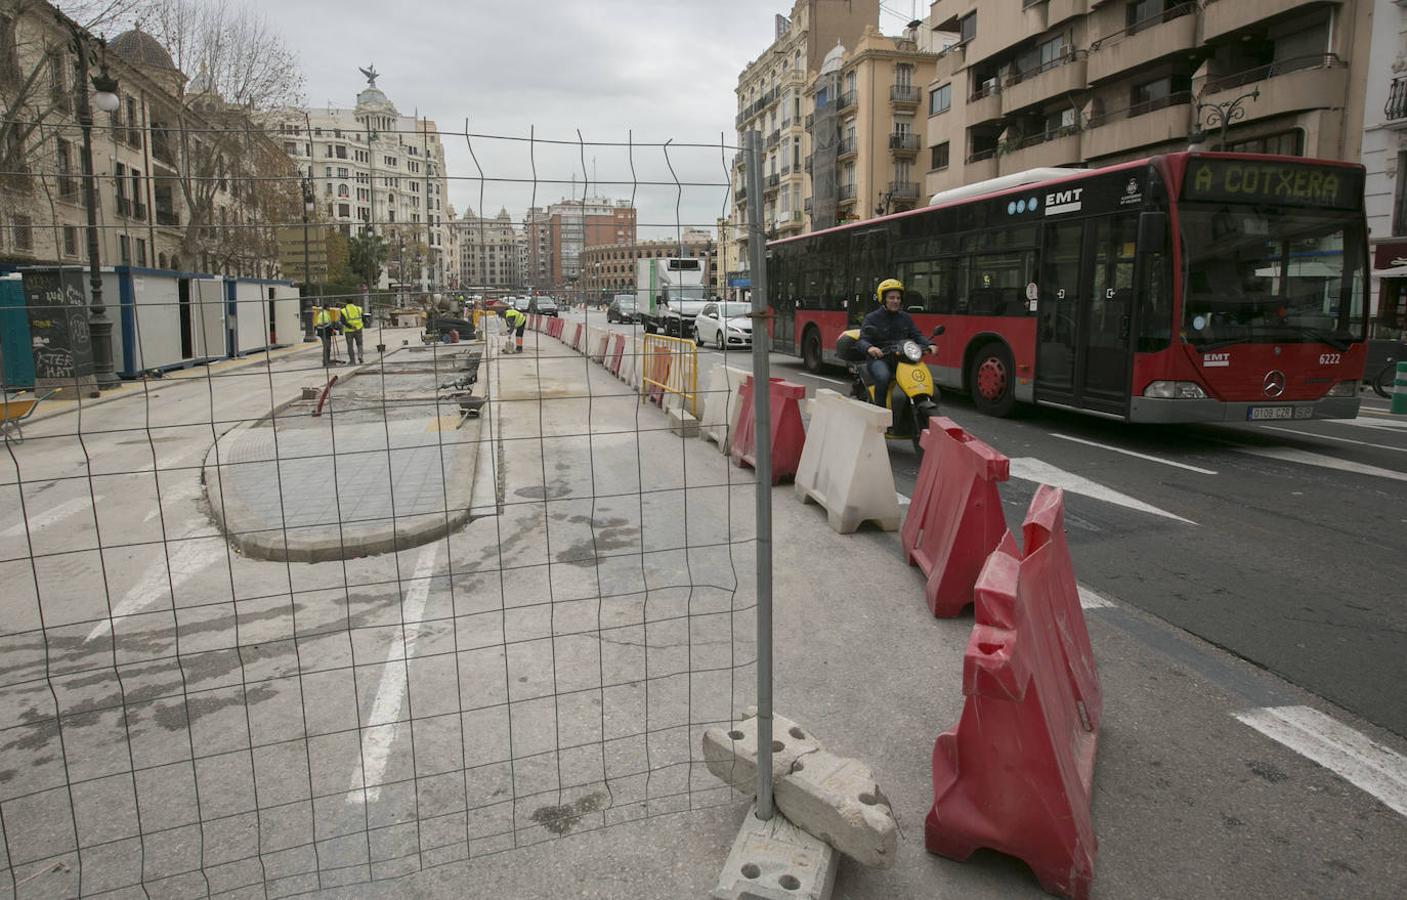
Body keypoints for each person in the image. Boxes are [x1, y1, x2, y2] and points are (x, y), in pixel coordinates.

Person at [856, 278, 933, 406]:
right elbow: (862, 340)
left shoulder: (906, 318)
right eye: (891, 298)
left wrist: (929, 344)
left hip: (902, 358)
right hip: (880, 359)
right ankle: (880, 411)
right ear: (883, 299)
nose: (895, 301)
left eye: (898, 298)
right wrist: (870, 348)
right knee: (883, 377)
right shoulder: (872, 318)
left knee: (923, 380)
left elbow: (916, 335)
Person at [342, 293, 366, 364]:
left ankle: (352, 360)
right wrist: (363, 324)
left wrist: (350, 326)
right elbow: (363, 318)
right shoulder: (358, 308)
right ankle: (360, 356)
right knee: (359, 344)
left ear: (346, 302)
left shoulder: (343, 310)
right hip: (358, 329)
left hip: (348, 330)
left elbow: (343, 321)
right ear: (353, 302)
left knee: (350, 346)